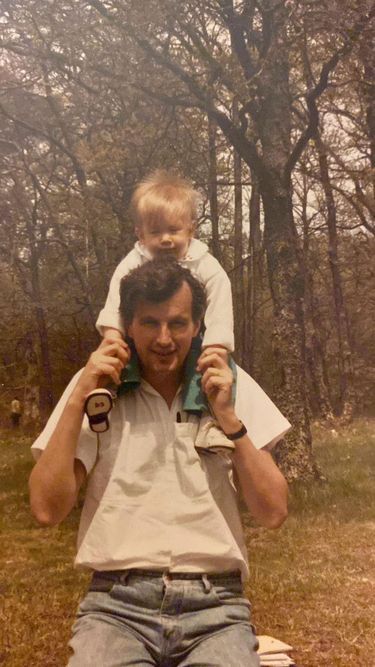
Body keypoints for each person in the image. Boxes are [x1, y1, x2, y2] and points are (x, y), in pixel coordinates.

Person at [29, 259, 290, 667]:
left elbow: (273, 511)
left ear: (199, 324)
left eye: (178, 323)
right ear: (127, 325)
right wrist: (79, 396)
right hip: (116, 608)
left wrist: (230, 420)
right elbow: (46, 509)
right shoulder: (98, 387)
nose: (164, 339)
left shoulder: (227, 381)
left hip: (217, 609)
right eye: (150, 323)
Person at [94, 169, 235, 414]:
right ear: (140, 234)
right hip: (142, 339)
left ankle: (207, 419)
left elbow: (220, 303)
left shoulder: (204, 263)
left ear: (190, 230)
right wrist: (112, 335)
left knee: (217, 369)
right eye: (156, 232)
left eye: (174, 230)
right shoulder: (133, 262)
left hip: (191, 340)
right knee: (118, 358)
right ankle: (109, 395)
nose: (166, 239)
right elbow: (115, 300)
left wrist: (217, 345)